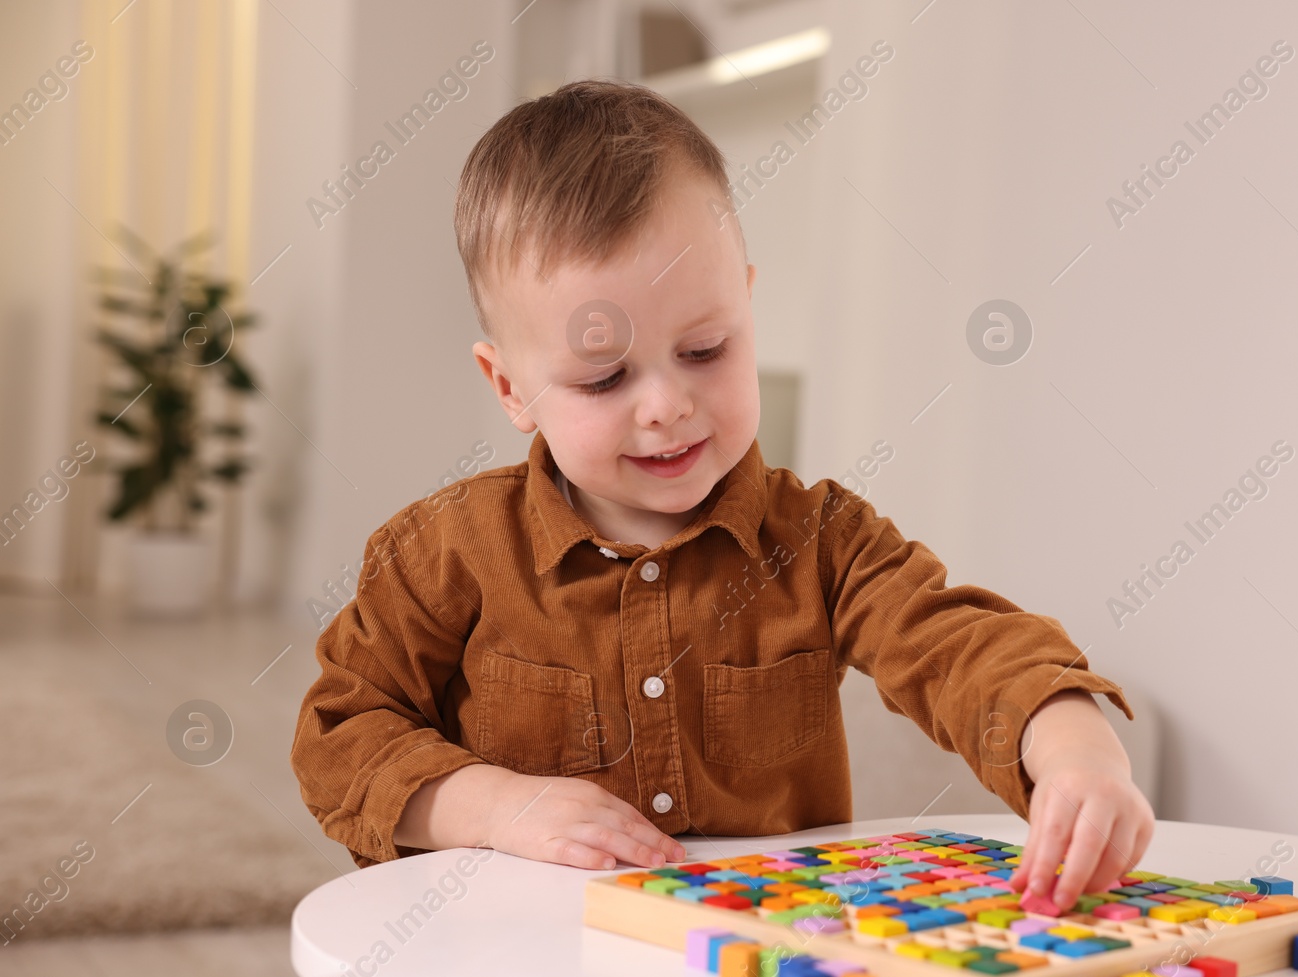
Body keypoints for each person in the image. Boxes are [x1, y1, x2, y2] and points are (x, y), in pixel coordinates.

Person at [290, 79, 1154, 913]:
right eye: (604, 378)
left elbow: (957, 643)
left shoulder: (824, 540)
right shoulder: (447, 550)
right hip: (523, 972)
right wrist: (495, 804)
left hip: (770, 976)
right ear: (509, 385)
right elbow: (340, 733)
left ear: (746, 304)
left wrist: (1069, 741)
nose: (666, 404)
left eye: (704, 349)